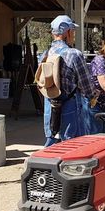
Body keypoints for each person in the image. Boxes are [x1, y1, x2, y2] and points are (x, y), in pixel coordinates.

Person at [41, 15, 96, 145]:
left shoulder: (46, 54)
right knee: (73, 147)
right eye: (73, 31)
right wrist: (93, 95)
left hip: (51, 106)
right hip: (70, 109)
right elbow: (87, 87)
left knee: (52, 144)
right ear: (68, 32)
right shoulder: (74, 54)